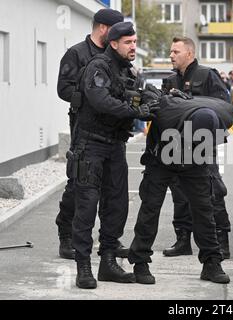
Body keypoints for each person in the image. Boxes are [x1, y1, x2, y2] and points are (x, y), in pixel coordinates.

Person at [71, 22, 158, 289]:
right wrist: (136, 112)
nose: (134, 46)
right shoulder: (99, 67)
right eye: (129, 42)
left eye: (135, 41)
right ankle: (83, 266)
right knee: (86, 206)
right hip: (90, 146)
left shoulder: (128, 71)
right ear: (113, 43)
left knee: (117, 206)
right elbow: (101, 101)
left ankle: (107, 262)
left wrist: (151, 100)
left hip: (115, 146)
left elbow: (135, 96)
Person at [55, 8, 128, 261]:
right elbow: (62, 89)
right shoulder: (77, 53)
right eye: (117, 30)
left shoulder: (116, 54)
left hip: (112, 129)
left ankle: (110, 239)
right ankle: (66, 234)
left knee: (112, 188)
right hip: (84, 127)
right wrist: (92, 94)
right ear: (104, 29)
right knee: (78, 184)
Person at [161, 37, 232, 260]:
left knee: (211, 191)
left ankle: (221, 242)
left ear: (189, 54)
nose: (171, 55)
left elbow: (223, 108)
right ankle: (183, 240)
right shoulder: (170, 80)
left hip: (201, 142)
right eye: (170, 51)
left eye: (176, 52)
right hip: (175, 142)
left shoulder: (207, 75)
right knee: (179, 193)